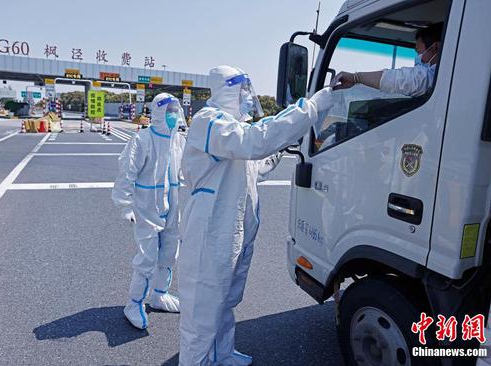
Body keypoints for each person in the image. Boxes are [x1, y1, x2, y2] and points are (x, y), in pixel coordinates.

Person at [178, 65, 333, 365]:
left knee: (225, 301)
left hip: (232, 232)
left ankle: (222, 354)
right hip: (210, 234)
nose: (248, 96)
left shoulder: (234, 130)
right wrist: (310, 108)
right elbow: (253, 142)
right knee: (202, 311)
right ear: (227, 90)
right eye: (243, 89)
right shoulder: (208, 122)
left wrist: (283, 146)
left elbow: (256, 163)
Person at [112, 93, 186, 329]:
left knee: (169, 252)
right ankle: (134, 303)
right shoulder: (142, 139)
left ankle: (159, 294)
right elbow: (127, 173)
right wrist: (125, 205)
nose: (173, 115)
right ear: (157, 112)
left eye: (176, 110)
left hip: (172, 206)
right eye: (169, 110)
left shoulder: (178, 141)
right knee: (147, 258)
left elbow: (187, 170)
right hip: (146, 208)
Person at [332, 22, 443, 97]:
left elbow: (408, 80)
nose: (417, 58)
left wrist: (356, 77)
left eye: (419, 52)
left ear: (435, 48)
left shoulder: (438, 76)